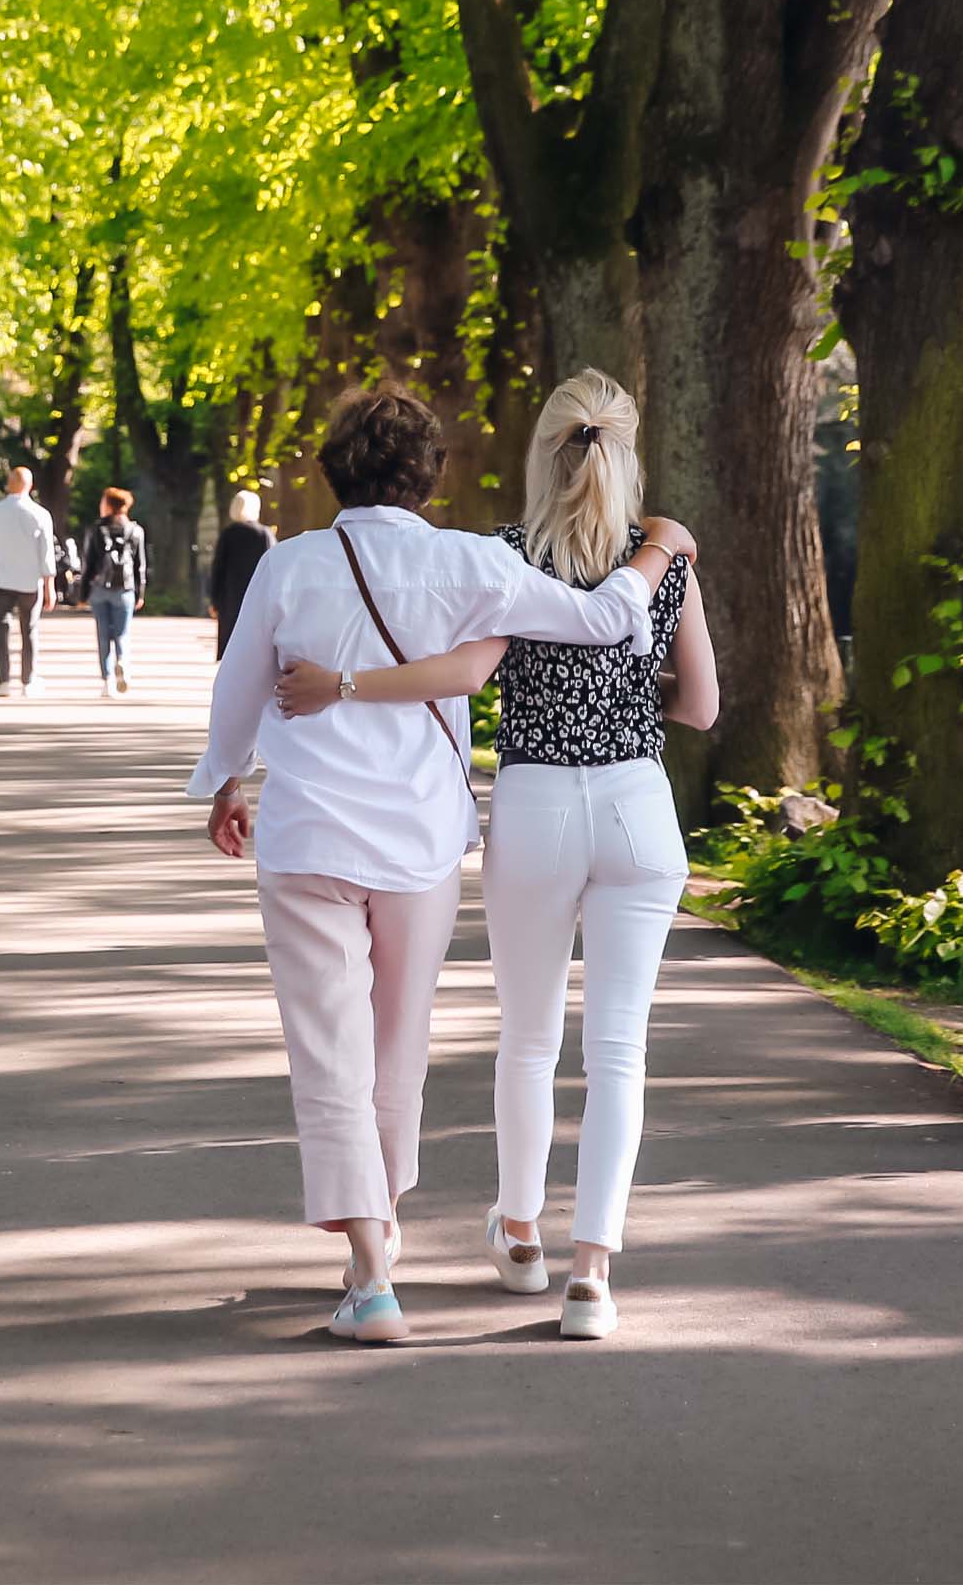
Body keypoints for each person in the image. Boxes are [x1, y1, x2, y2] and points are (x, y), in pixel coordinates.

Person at [190, 384, 693, 1343]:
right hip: (420, 843)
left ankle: (372, 1273)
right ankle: (375, 1240)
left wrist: (225, 783)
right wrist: (655, 556)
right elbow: (602, 622)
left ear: (332, 468)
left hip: (305, 839)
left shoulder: (288, 565)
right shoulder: (466, 562)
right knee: (396, 1048)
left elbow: (238, 687)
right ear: (429, 476)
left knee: (325, 1050)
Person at [0, 466, 57, 697]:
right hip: (30, 582)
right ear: (30, 486)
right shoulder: (40, 514)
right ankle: (28, 681)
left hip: (1, 580)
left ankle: (3, 683)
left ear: (8, 484)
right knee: (29, 629)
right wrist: (49, 585)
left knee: (1, 629)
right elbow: (47, 553)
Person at [84, 487, 149, 695]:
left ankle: (107, 682)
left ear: (109, 505)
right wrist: (140, 592)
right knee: (122, 633)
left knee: (103, 634)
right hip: (125, 589)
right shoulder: (136, 531)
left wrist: (83, 592)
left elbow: (89, 563)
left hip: (100, 588)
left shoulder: (96, 529)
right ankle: (122, 662)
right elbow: (140, 565)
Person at [209, 489, 273, 656]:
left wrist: (215, 600)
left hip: (231, 596)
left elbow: (218, 568)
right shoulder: (264, 534)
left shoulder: (228, 533)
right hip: (258, 595)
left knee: (232, 644)